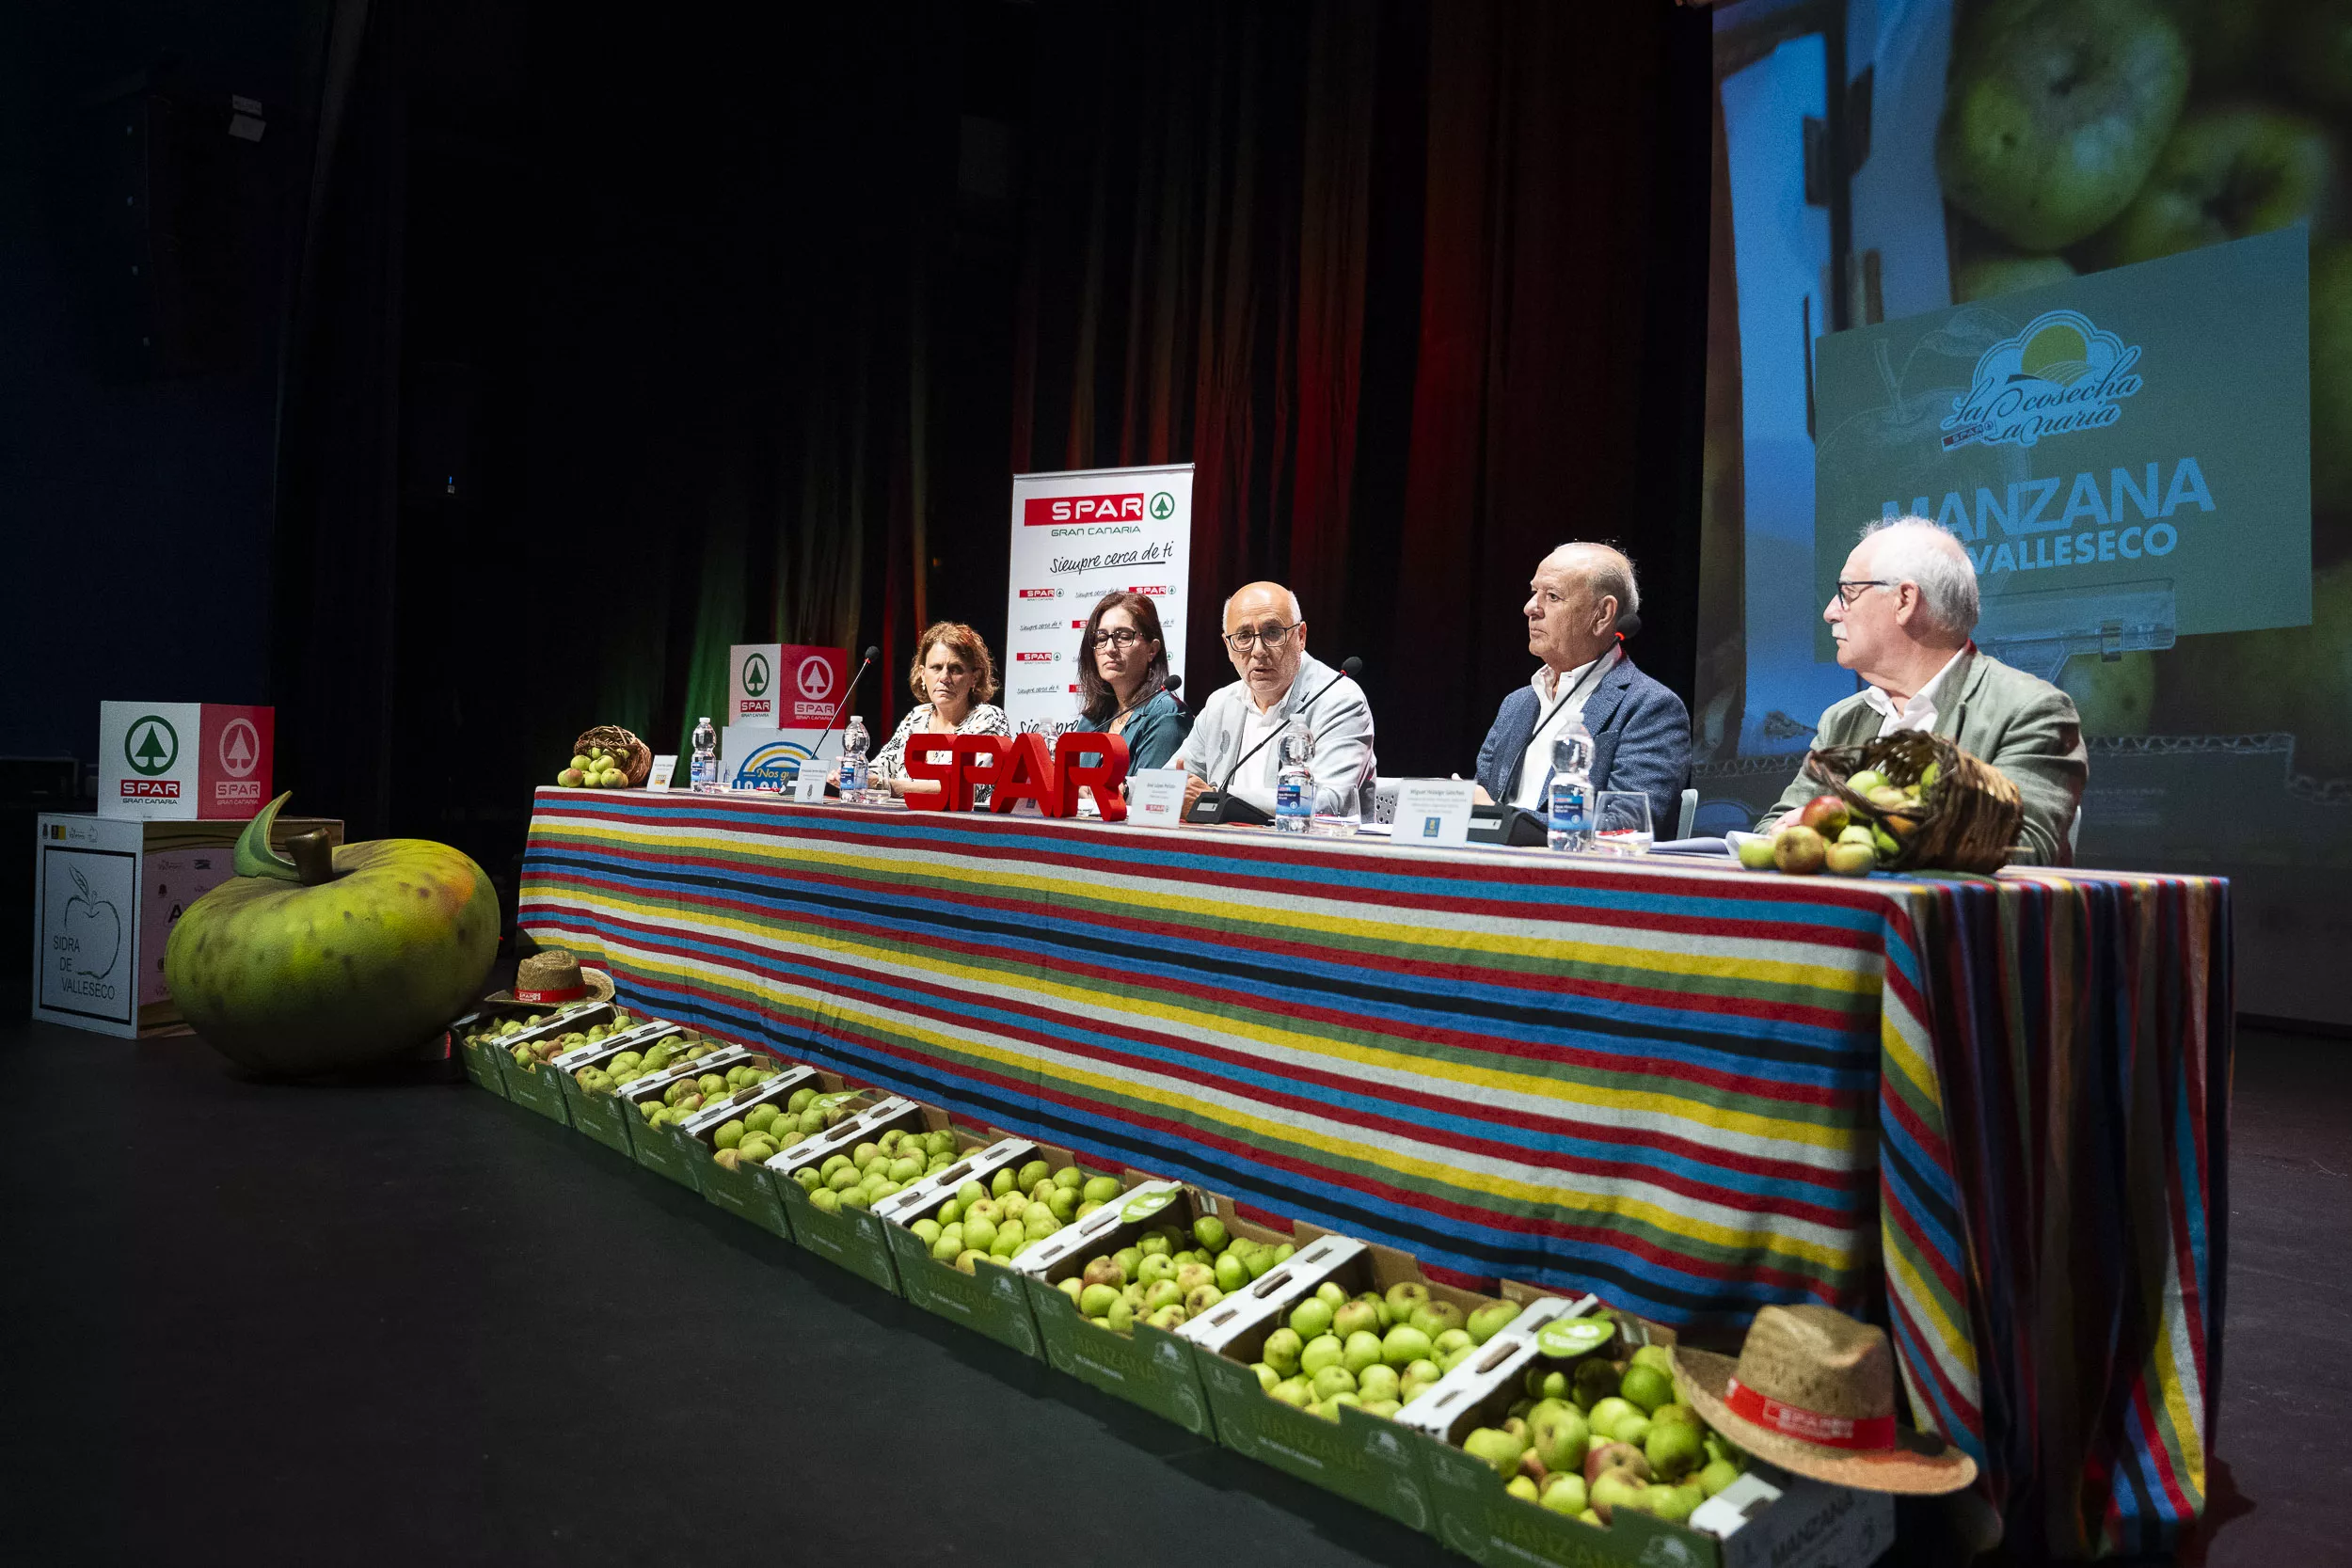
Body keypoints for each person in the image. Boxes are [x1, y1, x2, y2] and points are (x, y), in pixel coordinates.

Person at [1763, 516, 2086, 865]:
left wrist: (1856, 833)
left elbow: (2022, 850)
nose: (1830, 612)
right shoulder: (1843, 720)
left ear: (1904, 600)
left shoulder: (2030, 711)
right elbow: (1774, 828)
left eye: (1847, 593)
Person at [1472, 544, 1691, 835]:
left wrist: (1504, 818)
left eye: (1552, 596)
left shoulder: (1651, 707)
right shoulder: (1517, 704)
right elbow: (1480, 799)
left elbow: (1626, 824)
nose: (1530, 608)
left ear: (1602, 614)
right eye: (1533, 592)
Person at [1172, 580, 1375, 818]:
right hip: (1223, 849)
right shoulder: (1221, 703)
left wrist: (1218, 798)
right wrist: (1124, 789)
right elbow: (1173, 781)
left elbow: (1327, 801)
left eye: (1272, 632)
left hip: (1305, 851)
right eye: (1244, 636)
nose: (1258, 650)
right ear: (1228, 647)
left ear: (1301, 636)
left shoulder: (1339, 700)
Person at [872, 621, 1012, 800]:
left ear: (974, 678)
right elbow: (880, 767)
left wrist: (890, 786)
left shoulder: (988, 718)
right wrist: (855, 774)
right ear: (922, 674)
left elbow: (969, 787)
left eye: (955, 669)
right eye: (936, 668)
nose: (944, 678)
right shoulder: (917, 717)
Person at [1072, 591, 1192, 770]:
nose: (1110, 649)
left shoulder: (1167, 716)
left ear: (1152, 649)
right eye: (1102, 638)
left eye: (1124, 637)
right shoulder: (1092, 720)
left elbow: (1150, 795)